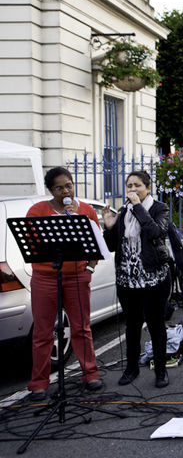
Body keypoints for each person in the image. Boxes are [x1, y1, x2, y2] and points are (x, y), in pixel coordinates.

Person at [26, 167, 103, 401]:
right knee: (43, 332)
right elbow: (31, 244)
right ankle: (39, 382)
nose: (65, 190)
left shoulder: (86, 210)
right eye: (59, 187)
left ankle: (90, 373)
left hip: (77, 276)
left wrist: (89, 268)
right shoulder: (37, 211)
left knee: (81, 327)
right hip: (46, 277)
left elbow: (96, 244)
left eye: (68, 185)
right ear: (51, 190)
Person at [102, 171, 171, 388]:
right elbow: (113, 246)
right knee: (132, 326)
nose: (132, 190)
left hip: (153, 279)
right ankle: (131, 368)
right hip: (127, 281)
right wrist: (109, 226)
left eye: (137, 186)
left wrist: (138, 207)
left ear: (148, 188)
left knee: (156, 325)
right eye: (129, 186)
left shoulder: (159, 208)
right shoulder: (123, 211)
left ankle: (161, 370)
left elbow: (155, 233)